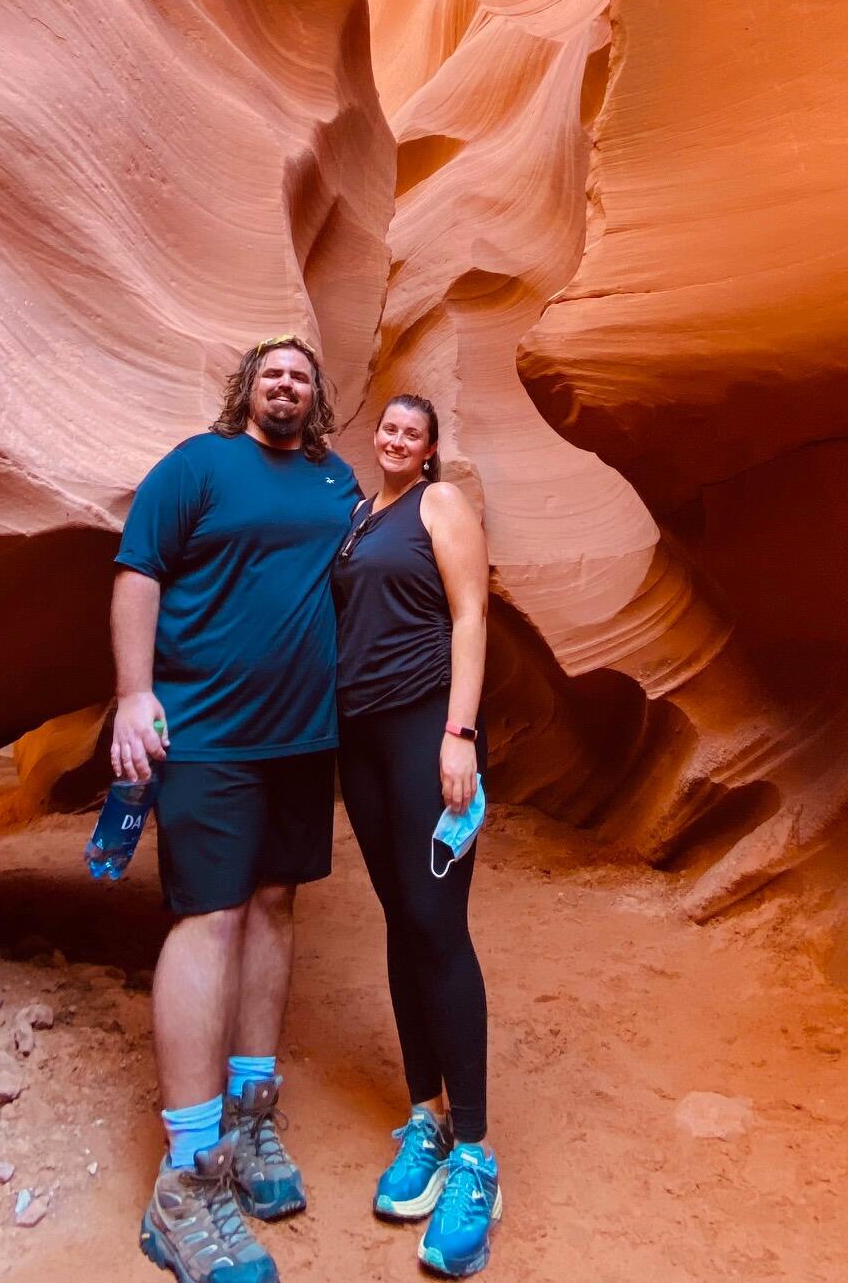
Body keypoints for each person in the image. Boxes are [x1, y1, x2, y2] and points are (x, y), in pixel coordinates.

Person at [111, 334, 361, 1283]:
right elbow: (138, 572)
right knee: (207, 918)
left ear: (317, 397)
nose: (286, 385)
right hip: (208, 735)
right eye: (272, 374)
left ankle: (251, 1123)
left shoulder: (338, 485)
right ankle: (186, 1173)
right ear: (248, 391)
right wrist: (136, 697)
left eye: (301, 376)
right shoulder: (198, 465)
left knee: (274, 904)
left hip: (302, 740)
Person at [331, 393, 501, 1278]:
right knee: (402, 922)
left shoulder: (440, 505)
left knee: (438, 927)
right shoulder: (362, 517)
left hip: (424, 731)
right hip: (360, 739)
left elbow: (471, 613)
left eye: (413, 432)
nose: (397, 440)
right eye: (388, 429)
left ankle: (473, 1151)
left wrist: (459, 734)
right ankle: (424, 1116)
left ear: (430, 449)